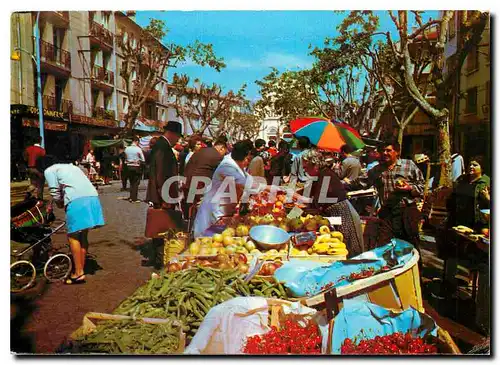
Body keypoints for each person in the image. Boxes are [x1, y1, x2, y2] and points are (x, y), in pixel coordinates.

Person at [346, 140, 425, 250]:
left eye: (388, 150)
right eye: (382, 150)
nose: (385, 153)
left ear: (397, 152)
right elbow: (361, 183)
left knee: (410, 246)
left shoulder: (409, 165)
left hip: (407, 211)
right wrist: (341, 185)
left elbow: (422, 186)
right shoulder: (377, 170)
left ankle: (414, 267)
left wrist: (410, 188)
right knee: (384, 246)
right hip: (387, 212)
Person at [40, 155, 105, 284]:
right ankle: (80, 268)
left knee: (73, 236)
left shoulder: (49, 170)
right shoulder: (73, 167)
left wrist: (59, 203)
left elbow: (54, 192)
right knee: (83, 235)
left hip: (77, 200)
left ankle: (78, 273)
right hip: (92, 197)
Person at [296, 148, 364, 257]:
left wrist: (296, 196)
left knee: (350, 250)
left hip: (344, 215)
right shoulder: (321, 175)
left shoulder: (325, 175)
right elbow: (310, 190)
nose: (305, 171)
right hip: (336, 215)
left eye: (306, 167)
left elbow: (317, 201)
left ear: (315, 165)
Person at [193, 140, 255, 237]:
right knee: (208, 245)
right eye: (248, 159)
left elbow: (249, 179)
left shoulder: (236, 165)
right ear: (244, 157)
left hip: (222, 213)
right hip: (213, 216)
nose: (248, 163)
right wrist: (270, 188)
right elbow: (245, 184)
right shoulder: (227, 166)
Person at [183, 136, 228, 218]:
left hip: (187, 183)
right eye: (224, 152)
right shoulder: (217, 156)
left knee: (192, 210)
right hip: (200, 187)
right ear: (222, 148)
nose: (224, 155)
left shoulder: (201, 150)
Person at [447, 156, 490, 231]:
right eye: (470, 164)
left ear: (482, 168)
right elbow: (453, 196)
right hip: (457, 220)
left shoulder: (486, 182)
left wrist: (487, 197)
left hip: (476, 223)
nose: (471, 167)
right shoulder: (462, 179)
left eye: (475, 165)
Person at [146, 121, 183, 209]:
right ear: (171, 133)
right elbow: (161, 173)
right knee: (163, 220)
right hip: (163, 196)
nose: (178, 140)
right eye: (177, 136)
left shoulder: (162, 145)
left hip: (163, 195)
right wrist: (165, 197)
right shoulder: (163, 147)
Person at [124, 136, 145, 203]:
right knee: (136, 182)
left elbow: (125, 158)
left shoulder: (126, 149)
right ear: (136, 141)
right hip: (136, 166)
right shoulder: (138, 149)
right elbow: (143, 159)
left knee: (131, 181)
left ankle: (131, 197)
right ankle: (134, 198)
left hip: (128, 166)